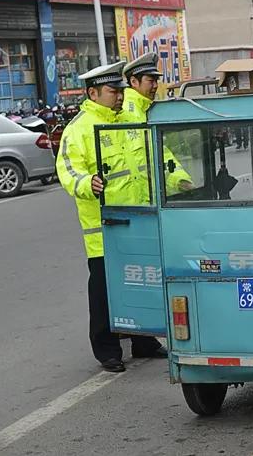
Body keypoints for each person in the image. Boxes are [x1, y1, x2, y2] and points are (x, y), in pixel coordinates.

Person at [56, 61, 166, 373]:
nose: (119, 96)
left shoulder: (131, 118)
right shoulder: (78, 129)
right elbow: (67, 168)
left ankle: (144, 339)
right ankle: (107, 349)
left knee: (142, 282)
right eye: (111, 91)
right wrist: (85, 183)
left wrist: (179, 180)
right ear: (92, 93)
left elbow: (156, 157)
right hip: (104, 226)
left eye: (120, 90)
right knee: (105, 290)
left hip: (141, 220)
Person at [120, 53, 193, 197]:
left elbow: (160, 153)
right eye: (150, 81)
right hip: (135, 201)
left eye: (156, 81)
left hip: (151, 197)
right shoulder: (127, 111)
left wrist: (180, 180)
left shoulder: (147, 108)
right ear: (134, 81)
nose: (155, 86)